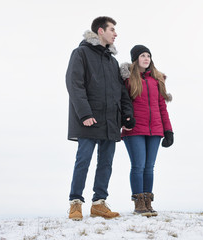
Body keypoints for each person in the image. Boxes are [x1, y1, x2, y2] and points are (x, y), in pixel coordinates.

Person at [65, 16, 135, 221]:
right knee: (83, 161)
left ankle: (99, 204)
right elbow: (74, 84)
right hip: (89, 118)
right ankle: (75, 203)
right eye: (112, 29)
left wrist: (126, 116)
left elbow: (121, 92)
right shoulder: (81, 54)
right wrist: (85, 113)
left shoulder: (112, 61)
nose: (116, 33)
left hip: (110, 121)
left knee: (106, 163)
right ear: (100, 31)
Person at [120, 45, 174, 217]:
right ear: (136, 59)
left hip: (155, 130)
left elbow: (162, 107)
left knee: (149, 167)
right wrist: (125, 120)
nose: (146, 58)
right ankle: (139, 203)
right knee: (138, 166)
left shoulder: (156, 80)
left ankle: (148, 202)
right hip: (135, 129)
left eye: (148, 56)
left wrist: (168, 131)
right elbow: (123, 103)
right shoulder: (128, 80)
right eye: (142, 55)